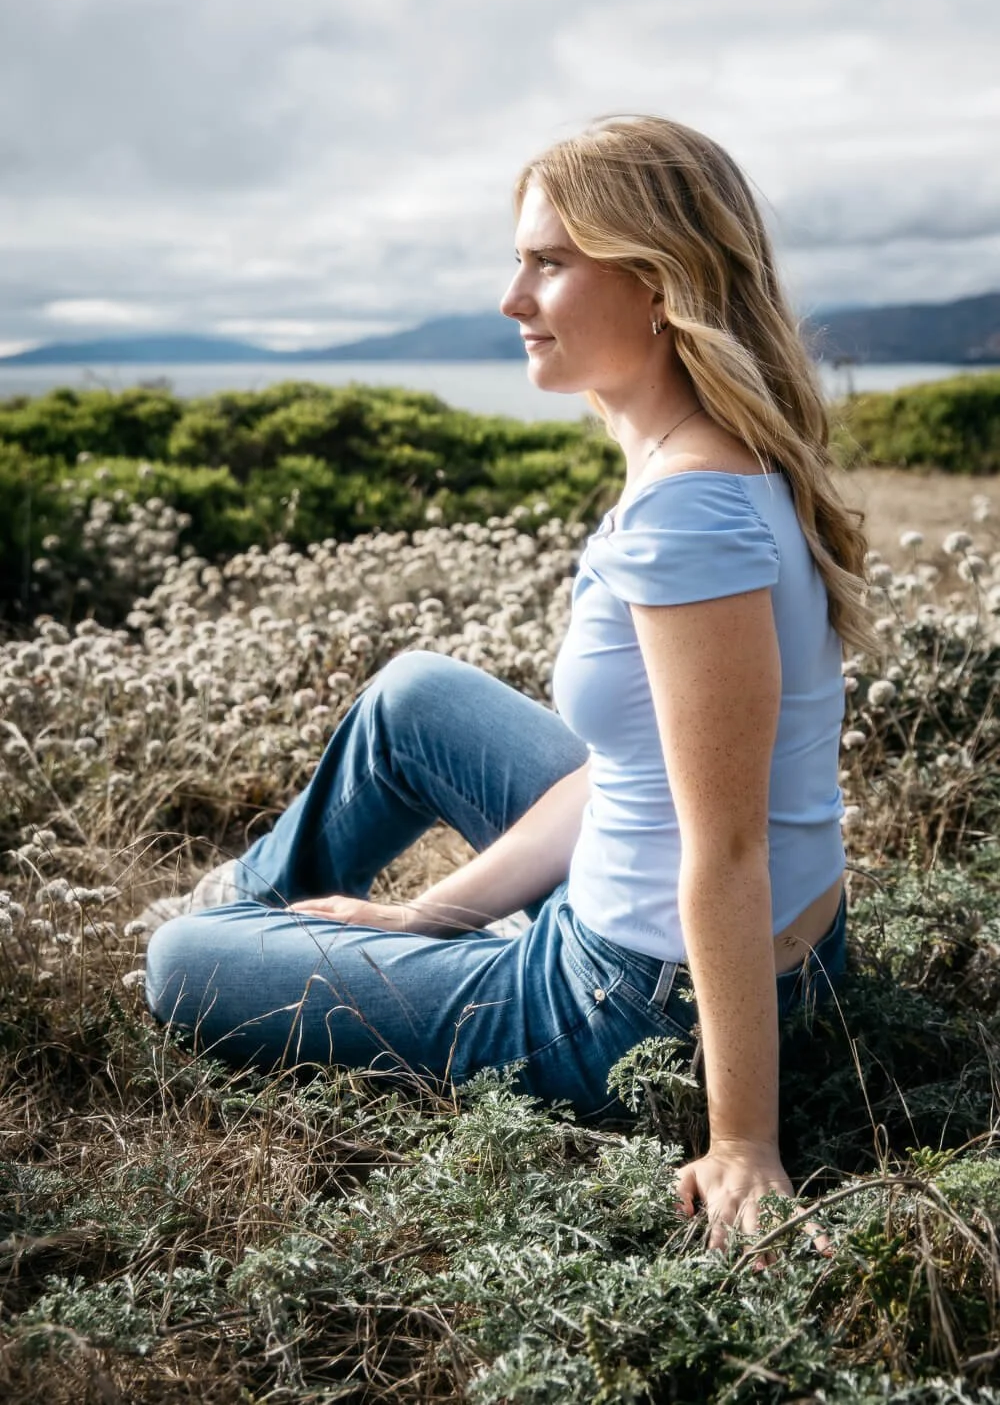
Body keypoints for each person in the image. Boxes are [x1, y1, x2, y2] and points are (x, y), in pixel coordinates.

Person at [145, 115, 873, 1249]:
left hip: (630, 1004)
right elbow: (639, 769)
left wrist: (742, 1142)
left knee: (177, 965)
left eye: (548, 260)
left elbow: (723, 848)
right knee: (413, 694)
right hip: (764, 950)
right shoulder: (717, 459)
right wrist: (434, 911)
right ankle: (264, 909)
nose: (511, 296)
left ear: (656, 283)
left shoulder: (688, 511)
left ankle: (234, 929)